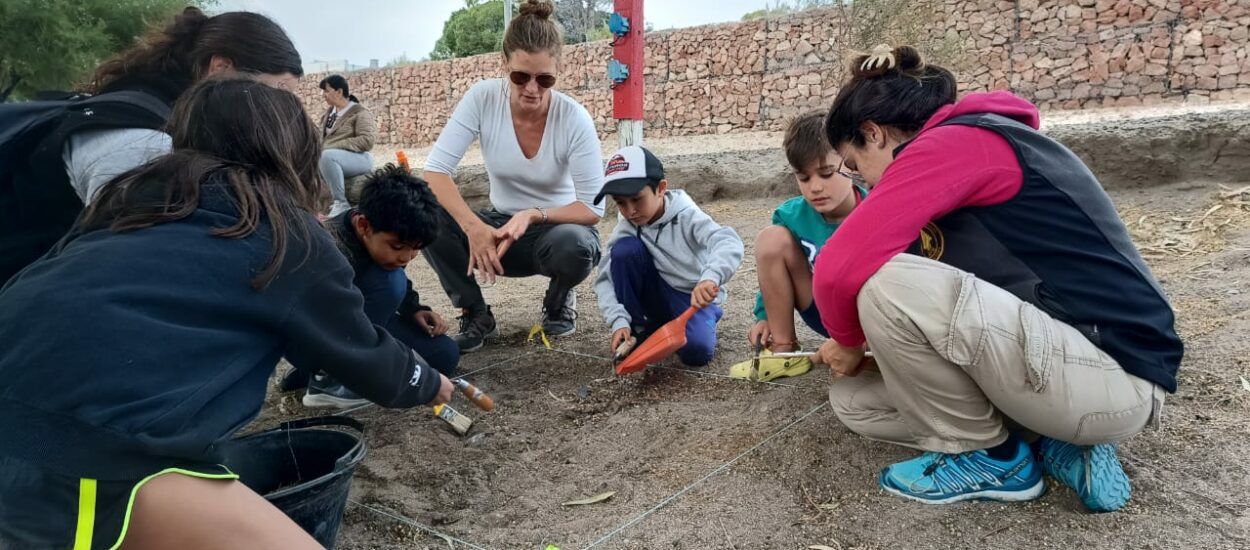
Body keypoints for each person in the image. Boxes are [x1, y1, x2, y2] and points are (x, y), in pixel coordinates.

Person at [0, 78, 453, 549]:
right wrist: (426, 379)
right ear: (291, 153)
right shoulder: (282, 235)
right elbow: (363, 353)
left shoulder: (126, 202)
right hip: (73, 445)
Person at [812, 45, 1182, 511]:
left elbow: (839, 266)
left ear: (873, 133)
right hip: (1062, 370)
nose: (860, 180)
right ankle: (1053, 442)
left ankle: (994, 458)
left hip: (1115, 376)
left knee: (883, 283)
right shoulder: (958, 155)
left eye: (853, 164)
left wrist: (846, 339)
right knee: (854, 401)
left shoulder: (956, 143)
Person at [0, 6, 303, 284]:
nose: (284, 112)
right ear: (221, 68)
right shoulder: (137, 141)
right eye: (278, 92)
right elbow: (147, 269)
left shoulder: (165, 115)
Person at [422, 0, 605, 352]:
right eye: (520, 76)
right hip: (497, 234)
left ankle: (559, 301)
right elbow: (435, 172)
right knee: (424, 211)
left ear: (558, 71)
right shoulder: (482, 98)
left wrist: (534, 214)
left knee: (576, 245)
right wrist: (473, 227)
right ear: (503, 64)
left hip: (555, 232)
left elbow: (593, 208)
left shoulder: (574, 118)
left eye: (545, 79)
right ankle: (475, 312)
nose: (532, 89)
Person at [289, 163, 461, 408]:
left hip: (365, 322)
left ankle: (314, 373)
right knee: (391, 281)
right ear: (363, 226)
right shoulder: (330, 248)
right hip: (326, 333)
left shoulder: (385, 238)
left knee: (444, 354)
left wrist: (413, 309)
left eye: (415, 249)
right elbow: (315, 316)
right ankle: (327, 378)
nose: (406, 257)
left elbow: (394, 275)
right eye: (398, 247)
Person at [727, 112, 866, 381]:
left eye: (826, 174)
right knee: (771, 239)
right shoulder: (791, 215)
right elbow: (771, 272)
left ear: (851, 163)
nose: (815, 187)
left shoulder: (876, 208)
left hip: (865, 318)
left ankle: (867, 356)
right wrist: (764, 316)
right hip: (822, 309)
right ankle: (784, 352)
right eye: (803, 178)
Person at [593, 146, 744, 366]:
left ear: (661, 188)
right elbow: (605, 278)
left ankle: (705, 318)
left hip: (690, 298)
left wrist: (710, 277)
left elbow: (728, 241)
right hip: (656, 294)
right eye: (621, 203)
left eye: (637, 199)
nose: (630, 211)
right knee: (624, 251)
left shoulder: (686, 216)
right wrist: (618, 321)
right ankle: (638, 330)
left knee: (697, 352)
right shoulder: (627, 226)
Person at [318, 74, 377, 217]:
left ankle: (341, 203)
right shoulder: (328, 114)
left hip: (359, 159)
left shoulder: (360, 113)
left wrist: (334, 146)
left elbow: (367, 140)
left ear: (339, 92)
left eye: (326, 91)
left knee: (327, 156)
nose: (323, 95)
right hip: (330, 158)